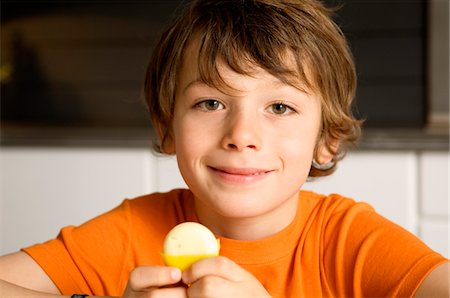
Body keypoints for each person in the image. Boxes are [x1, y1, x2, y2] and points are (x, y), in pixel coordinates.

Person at [1, 0, 448, 297]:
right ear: (167, 124)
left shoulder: (347, 239)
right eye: (210, 102)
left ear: (326, 138)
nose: (242, 134)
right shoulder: (134, 230)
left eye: (279, 106)